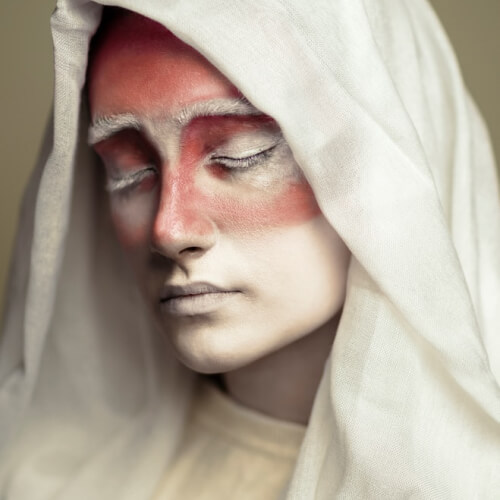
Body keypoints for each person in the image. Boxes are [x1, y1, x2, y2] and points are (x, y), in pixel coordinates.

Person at [0, 0, 499, 499]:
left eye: (242, 154)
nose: (169, 229)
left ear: (377, 163)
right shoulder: (45, 478)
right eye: (128, 171)